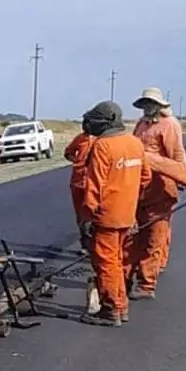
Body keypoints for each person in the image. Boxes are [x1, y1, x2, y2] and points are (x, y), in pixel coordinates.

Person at [77, 100, 151, 327]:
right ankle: (121, 306)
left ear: (105, 122)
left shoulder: (102, 146)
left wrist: (88, 217)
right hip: (127, 214)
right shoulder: (135, 143)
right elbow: (145, 177)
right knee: (117, 262)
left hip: (106, 216)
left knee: (106, 264)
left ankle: (110, 310)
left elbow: (93, 186)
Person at [130, 87, 186, 298]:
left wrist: (184, 177)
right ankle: (154, 266)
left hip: (161, 185)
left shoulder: (169, 125)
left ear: (159, 106)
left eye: (150, 104)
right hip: (141, 185)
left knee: (155, 234)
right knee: (145, 232)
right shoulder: (141, 124)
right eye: (145, 104)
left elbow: (177, 153)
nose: (147, 107)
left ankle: (147, 285)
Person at [64, 125, 100, 314]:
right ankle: (86, 244)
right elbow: (68, 152)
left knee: (93, 216)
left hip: (93, 184)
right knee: (81, 216)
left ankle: (94, 246)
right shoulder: (80, 139)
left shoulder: (103, 141)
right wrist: (77, 161)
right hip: (78, 183)